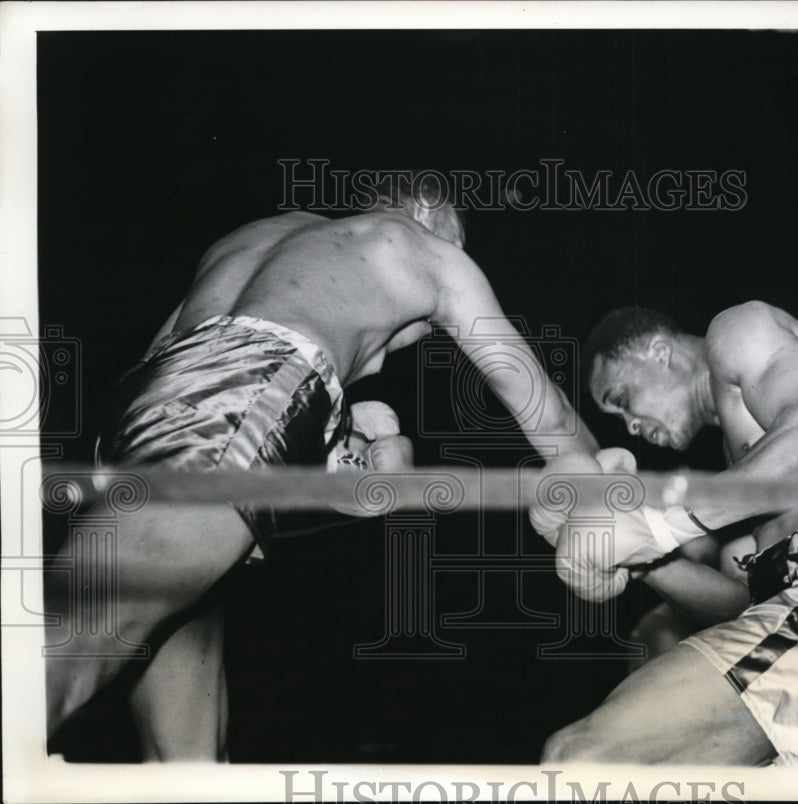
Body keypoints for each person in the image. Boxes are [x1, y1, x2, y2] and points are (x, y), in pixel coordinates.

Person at [45, 175, 598, 760]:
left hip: (140, 407)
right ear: (428, 221)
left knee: (187, 761)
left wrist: (347, 440)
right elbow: (544, 411)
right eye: (456, 248)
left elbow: (175, 369)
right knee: (73, 642)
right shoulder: (421, 249)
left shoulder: (259, 239)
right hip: (243, 396)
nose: (426, 330)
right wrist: (612, 488)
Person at [531, 301, 798, 767]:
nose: (629, 425)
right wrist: (642, 559)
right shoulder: (740, 473)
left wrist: (657, 525)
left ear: (658, 351)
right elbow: (740, 607)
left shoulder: (736, 331)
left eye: (622, 398)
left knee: (579, 759)